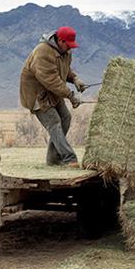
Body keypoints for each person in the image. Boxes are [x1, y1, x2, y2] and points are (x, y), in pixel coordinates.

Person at [19, 26, 87, 165]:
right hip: (38, 95)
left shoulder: (65, 52)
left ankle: (53, 159)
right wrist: (71, 95)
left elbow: (65, 69)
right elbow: (51, 80)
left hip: (53, 93)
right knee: (54, 123)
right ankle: (69, 159)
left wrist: (75, 79)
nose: (70, 49)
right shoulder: (42, 52)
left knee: (65, 118)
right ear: (60, 41)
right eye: (68, 45)